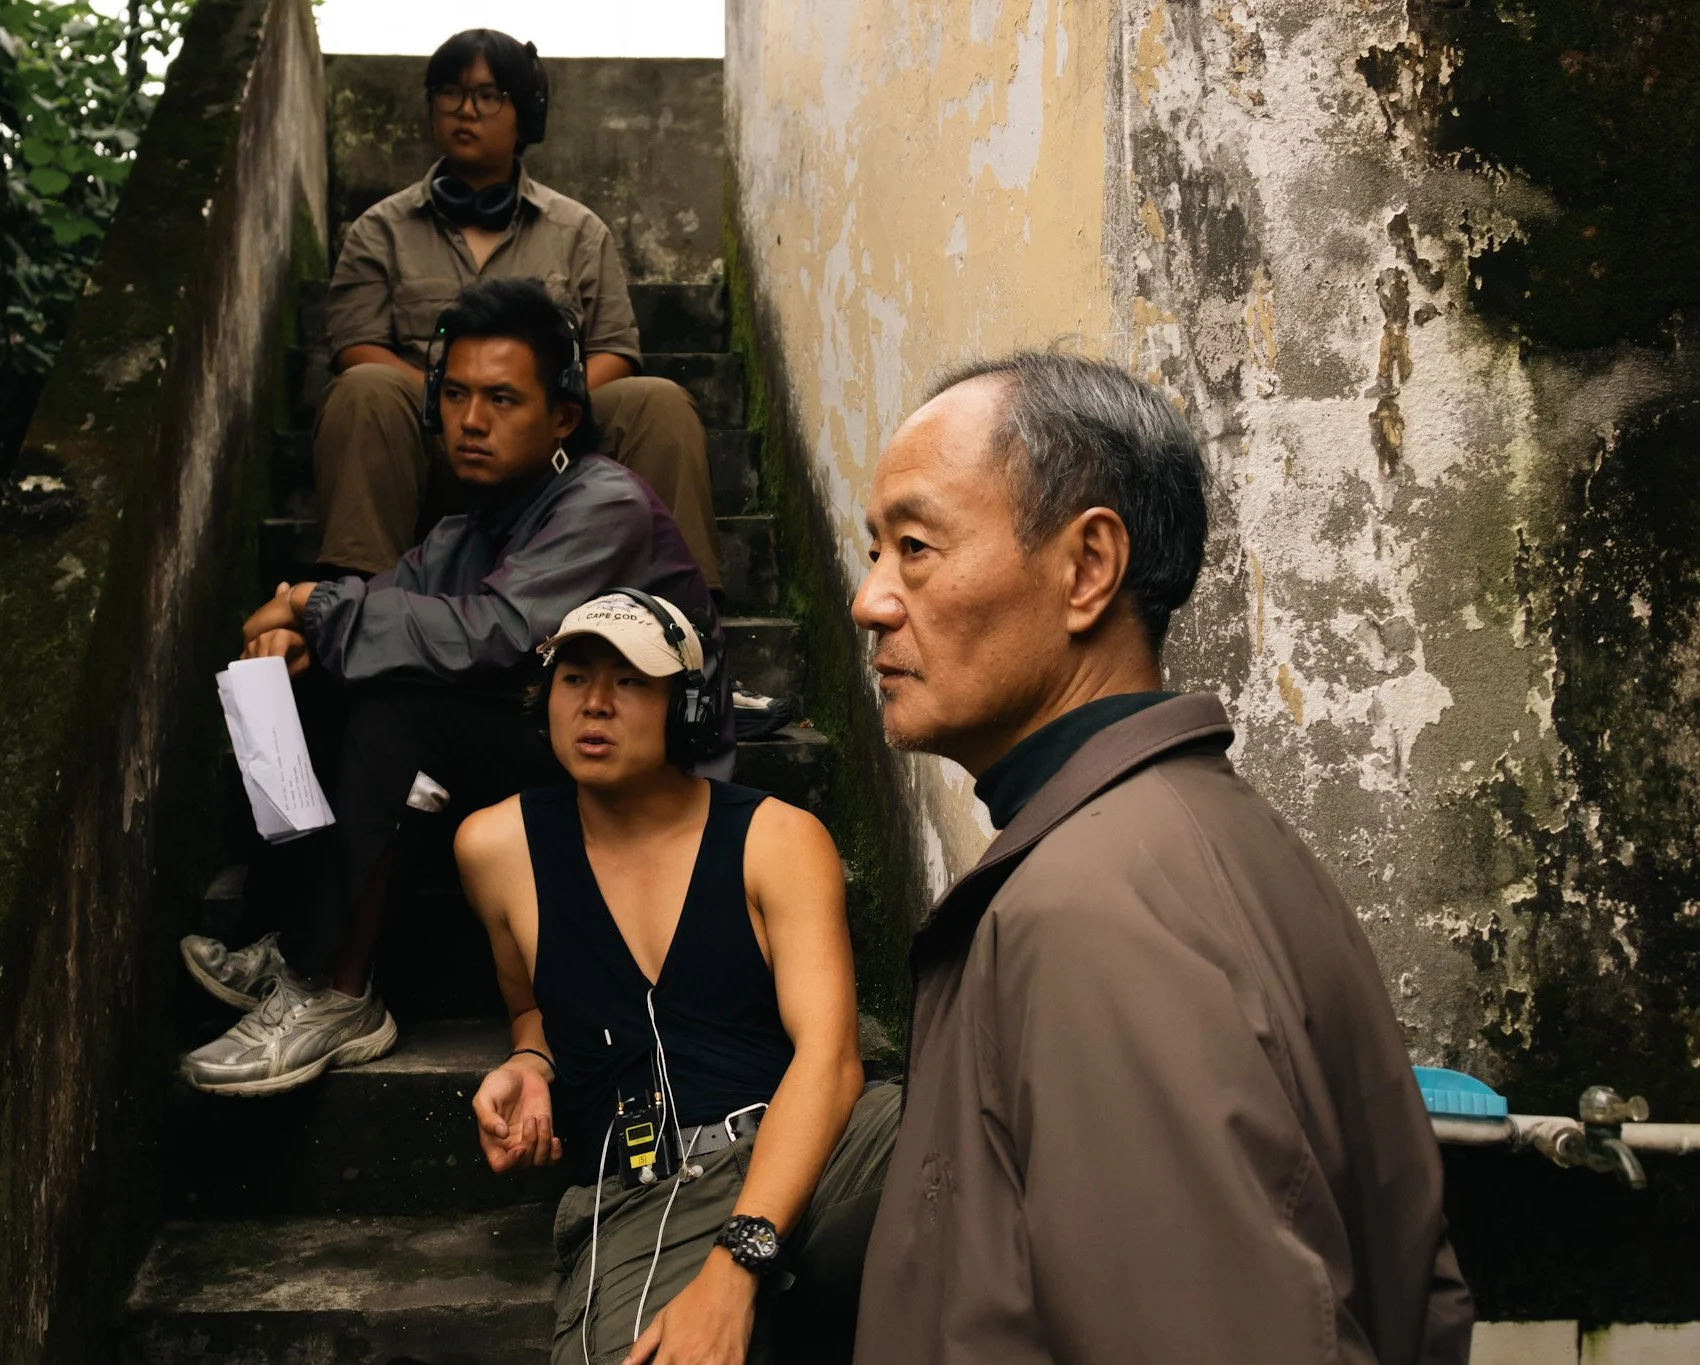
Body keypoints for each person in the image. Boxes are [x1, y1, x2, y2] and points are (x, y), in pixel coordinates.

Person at [849, 352, 1473, 1364]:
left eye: (913, 547)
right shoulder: (1207, 834)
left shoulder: (1090, 910)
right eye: (872, 551)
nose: (871, 600)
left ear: (1087, 567)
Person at [176, 278, 731, 1097]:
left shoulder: (604, 503)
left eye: (503, 399)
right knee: (330, 670)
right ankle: (291, 938)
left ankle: (338, 992)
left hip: (649, 766)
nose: (470, 422)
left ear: (562, 418)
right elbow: (383, 618)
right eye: (459, 395)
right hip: (547, 737)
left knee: (398, 706)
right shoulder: (464, 530)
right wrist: (296, 634)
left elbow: (497, 631)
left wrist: (311, 602)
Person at [455, 590, 899, 1365]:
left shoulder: (779, 840)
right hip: (644, 1197)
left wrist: (738, 1260)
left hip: (817, 1149)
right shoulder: (496, 849)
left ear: (688, 708)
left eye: (630, 681)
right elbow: (529, 1008)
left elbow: (830, 1065)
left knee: (970, 1147)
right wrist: (531, 1061)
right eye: (574, 677)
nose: (595, 703)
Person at [315, 27, 723, 593]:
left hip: (552, 443)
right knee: (364, 388)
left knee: (660, 402)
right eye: (450, 92)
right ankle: (352, 598)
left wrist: (541, 413)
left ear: (523, 114)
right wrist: (456, 402)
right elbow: (354, 343)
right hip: (431, 437)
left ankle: (680, 612)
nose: (465, 110)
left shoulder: (577, 230)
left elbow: (615, 351)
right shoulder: (379, 229)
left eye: (488, 95)